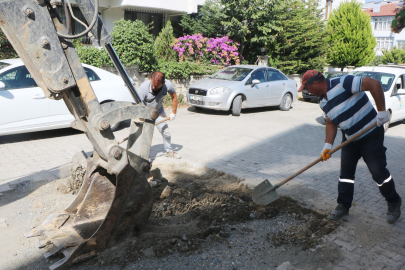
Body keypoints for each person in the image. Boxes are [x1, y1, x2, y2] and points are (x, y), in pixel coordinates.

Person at [298, 70, 402, 224]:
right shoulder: (322, 101)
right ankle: (343, 205)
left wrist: (381, 112)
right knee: (345, 173)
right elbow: (331, 122)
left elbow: (374, 84)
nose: (307, 91)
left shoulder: (343, 82)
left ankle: (393, 202)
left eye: (306, 87)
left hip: (371, 134)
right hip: (349, 139)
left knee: (378, 172)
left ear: (315, 83)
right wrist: (327, 145)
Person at [137, 71, 181, 159]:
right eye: (152, 84)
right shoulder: (143, 88)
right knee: (146, 135)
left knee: (166, 132)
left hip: (159, 112)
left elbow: (174, 96)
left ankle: (168, 151)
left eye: (156, 85)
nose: (153, 86)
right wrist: (143, 119)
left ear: (163, 83)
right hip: (145, 113)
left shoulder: (167, 85)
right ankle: (145, 156)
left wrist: (174, 113)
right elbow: (138, 106)